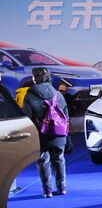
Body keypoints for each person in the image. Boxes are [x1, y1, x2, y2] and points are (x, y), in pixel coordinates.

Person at [22, 67, 69, 198]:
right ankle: (62, 188)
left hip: (40, 134)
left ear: (34, 78)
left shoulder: (30, 96)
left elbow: (27, 117)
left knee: (43, 160)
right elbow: (66, 115)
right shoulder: (57, 94)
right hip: (58, 133)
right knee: (59, 159)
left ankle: (47, 190)